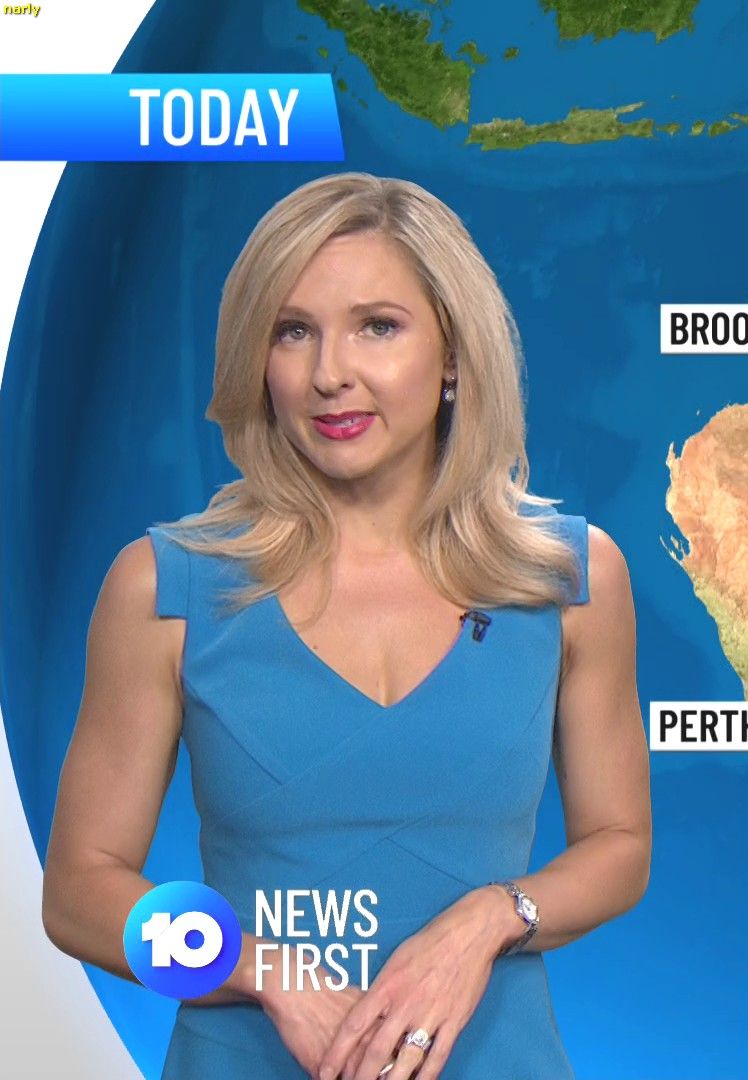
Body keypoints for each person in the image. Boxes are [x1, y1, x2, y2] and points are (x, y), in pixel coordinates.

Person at [40, 172, 653, 1080]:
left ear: (453, 355)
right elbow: (79, 894)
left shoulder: (568, 580)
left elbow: (620, 847)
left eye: (378, 326)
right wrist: (265, 970)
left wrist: (490, 918)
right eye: (293, 331)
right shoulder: (164, 587)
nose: (330, 373)